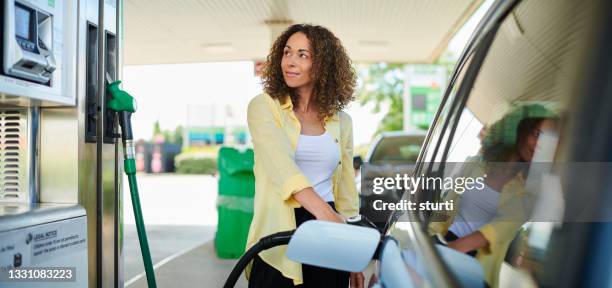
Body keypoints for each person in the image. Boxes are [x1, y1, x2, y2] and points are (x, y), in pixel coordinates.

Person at [245, 24, 364, 288]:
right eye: (287, 52)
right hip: (280, 232)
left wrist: (353, 253)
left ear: (322, 65)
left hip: (329, 235)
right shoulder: (264, 107)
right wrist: (328, 216)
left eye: (302, 55)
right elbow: (282, 167)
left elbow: (346, 192)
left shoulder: (341, 122)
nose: (290, 61)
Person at [429, 104, 557, 287]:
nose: (540, 145)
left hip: (474, 265)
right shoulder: (474, 164)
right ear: (520, 129)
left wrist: (440, 255)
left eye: (549, 141)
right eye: (537, 134)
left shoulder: (532, 190)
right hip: (442, 242)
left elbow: (496, 230)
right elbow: (446, 207)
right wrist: (429, 238)